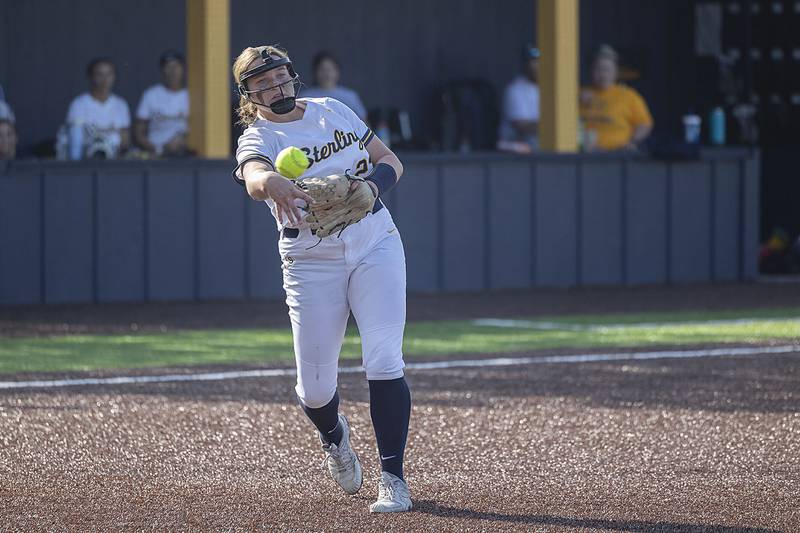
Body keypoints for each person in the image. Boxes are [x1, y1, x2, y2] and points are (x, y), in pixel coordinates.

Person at [231, 45, 412, 513]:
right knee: (314, 390)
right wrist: (270, 183)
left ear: (293, 77)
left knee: (384, 357)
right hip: (311, 258)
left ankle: (393, 477)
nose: (274, 88)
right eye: (261, 83)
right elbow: (252, 175)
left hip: (374, 239)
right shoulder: (257, 137)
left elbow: (390, 160)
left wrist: (371, 186)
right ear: (248, 94)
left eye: (279, 78)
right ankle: (335, 436)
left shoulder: (333, 110)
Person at [579, 45, 654, 151]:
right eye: (598, 69)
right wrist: (575, 100)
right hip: (586, 154)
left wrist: (632, 142)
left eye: (607, 69)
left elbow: (644, 124)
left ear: (616, 72)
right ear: (591, 71)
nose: (603, 74)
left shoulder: (629, 96)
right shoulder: (580, 94)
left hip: (618, 154)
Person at [64, 58, 131, 159]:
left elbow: (125, 139)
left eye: (109, 74)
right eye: (99, 74)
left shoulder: (121, 104)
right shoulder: (79, 104)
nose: (105, 79)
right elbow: (74, 139)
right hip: (85, 160)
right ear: (90, 76)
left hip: (114, 159)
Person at [134, 50, 190, 156]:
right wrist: (158, 149)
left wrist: (184, 141)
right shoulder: (151, 94)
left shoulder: (193, 96)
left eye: (176, 66)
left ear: (183, 69)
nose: (173, 71)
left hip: (186, 154)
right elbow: (139, 132)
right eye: (168, 67)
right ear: (162, 70)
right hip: (156, 155)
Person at [497, 44, 541, 154]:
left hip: (539, 147)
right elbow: (522, 126)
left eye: (540, 61)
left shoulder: (552, 88)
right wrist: (554, 124)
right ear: (526, 65)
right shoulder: (515, 89)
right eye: (533, 61)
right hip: (515, 151)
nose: (537, 65)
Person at [301, 51, 367, 120]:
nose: (327, 74)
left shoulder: (350, 96)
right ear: (315, 72)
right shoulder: (305, 98)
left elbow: (363, 123)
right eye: (322, 69)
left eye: (330, 69)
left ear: (338, 71)